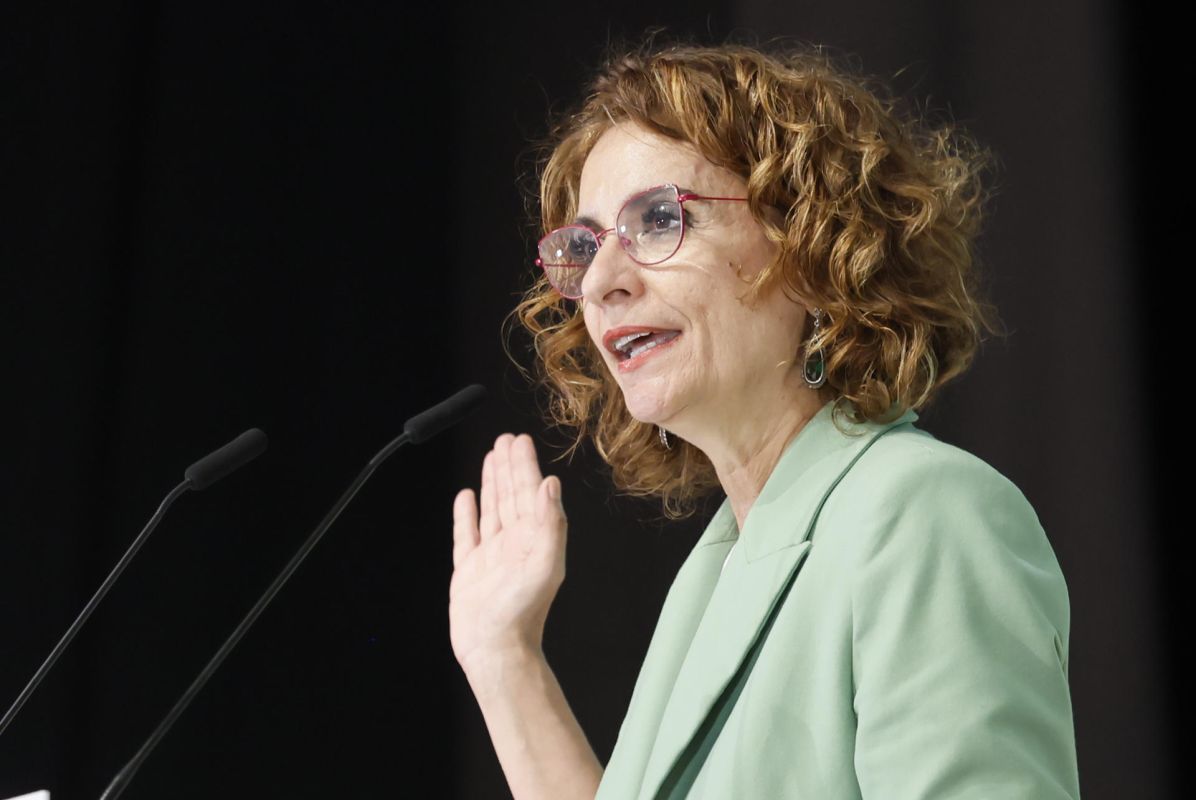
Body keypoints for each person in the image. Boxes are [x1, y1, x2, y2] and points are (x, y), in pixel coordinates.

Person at [450, 37, 1080, 800]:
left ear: (812, 245)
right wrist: (504, 657)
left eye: (658, 219)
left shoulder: (925, 514)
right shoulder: (717, 569)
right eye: (583, 246)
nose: (603, 280)